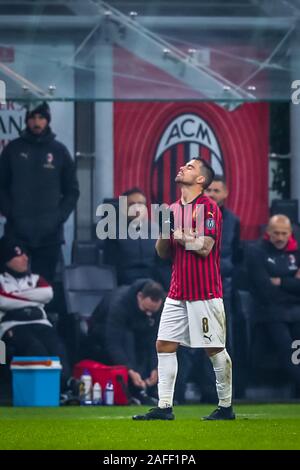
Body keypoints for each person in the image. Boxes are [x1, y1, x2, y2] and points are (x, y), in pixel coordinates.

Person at [133, 158, 235, 421]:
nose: (182, 168)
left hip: (205, 292)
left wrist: (180, 235)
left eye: (190, 167)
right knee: (164, 344)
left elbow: (205, 247)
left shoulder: (209, 207)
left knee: (213, 349)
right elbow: (162, 252)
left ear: (201, 180)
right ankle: (164, 406)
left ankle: (226, 408)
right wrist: (165, 235)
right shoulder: (172, 209)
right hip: (177, 290)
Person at [0, 102, 80, 284]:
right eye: (33, 117)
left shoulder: (59, 151)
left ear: (47, 120)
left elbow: (72, 191)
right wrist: (11, 213)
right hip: (17, 234)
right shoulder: (13, 149)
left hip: (49, 236)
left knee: (45, 285)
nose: (37, 122)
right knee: (14, 284)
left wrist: (58, 217)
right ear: (27, 120)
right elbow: (1, 186)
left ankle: (43, 314)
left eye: (41, 117)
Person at [0, 236, 70, 385]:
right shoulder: (1, 280)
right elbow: (2, 301)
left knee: (57, 348)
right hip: (12, 326)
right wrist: (32, 299)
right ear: (7, 259)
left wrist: (13, 297)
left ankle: (64, 388)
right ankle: (39, 389)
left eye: (26, 254)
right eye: (19, 255)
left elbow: (47, 294)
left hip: (40, 322)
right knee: (35, 348)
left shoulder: (36, 279)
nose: (25, 258)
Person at [88, 279, 165, 404]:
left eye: (153, 312)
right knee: (128, 338)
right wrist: (130, 370)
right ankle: (133, 389)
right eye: (146, 310)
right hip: (101, 332)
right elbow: (113, 343)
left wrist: (156, 368)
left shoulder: (161, 306)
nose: (149, 314)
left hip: (135, 331)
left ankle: (147, 388)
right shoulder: (119, 304)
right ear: (139, 296)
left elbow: (155, 339)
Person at [246, 214, 300, 391]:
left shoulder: (296, 252)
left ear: (290, 233)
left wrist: (281, 282)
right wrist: (292, 283)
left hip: (295, 310)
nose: (280, 237)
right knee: (286, 346)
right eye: (276, 233)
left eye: (284, 233)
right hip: (269, 312)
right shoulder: (256, 252)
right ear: (268, 232)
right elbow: (264, 288)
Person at [103, 187, 171, 290]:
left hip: (153, 287)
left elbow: (163, 266)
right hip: (125, 286)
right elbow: (111, 268)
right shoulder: (112, 233)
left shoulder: (157, 230)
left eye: (140, 204)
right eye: (131, 204)